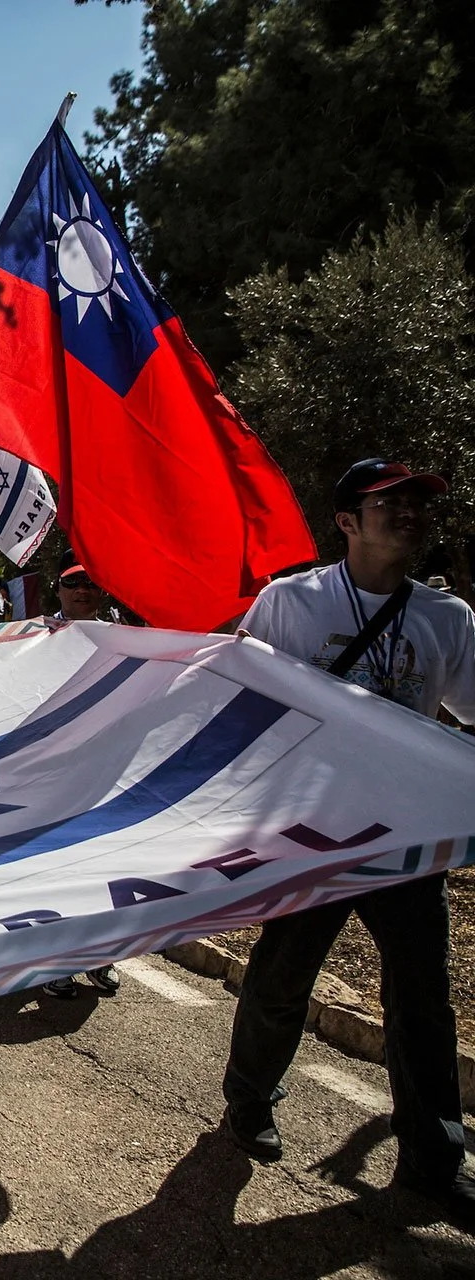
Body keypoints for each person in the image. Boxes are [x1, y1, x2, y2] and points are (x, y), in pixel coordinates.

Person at [218, 458, 475, 1222]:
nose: (408, 514)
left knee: (423, 1001)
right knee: (282, 976)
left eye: (416, 504)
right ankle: (251, 1097)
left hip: (406, 839)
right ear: (346, 522)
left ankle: (433, 1157)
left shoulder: (449, 620)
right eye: (386, 503)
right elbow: (239, 702)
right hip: (312, 835)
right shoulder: (290, 603)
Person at [36, 561, 125, 1000]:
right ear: (59, 590)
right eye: (72, 582)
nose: (82, 590)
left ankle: (100, 955)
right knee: (55, 869)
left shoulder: (132, 637)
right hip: (51, 772)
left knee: (102, 867)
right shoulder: (36, 638)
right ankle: (53, 963)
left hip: (106, 769)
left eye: (91, 582)